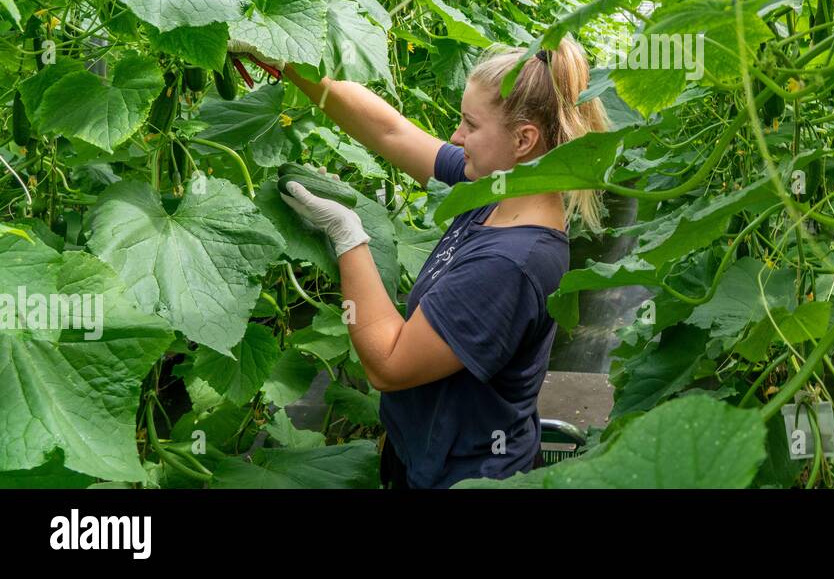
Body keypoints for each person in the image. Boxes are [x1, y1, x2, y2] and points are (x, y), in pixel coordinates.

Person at [253, 34, 609, 488]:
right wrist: (291, 63)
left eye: (470, 125)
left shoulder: (511, 264)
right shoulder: (498, 189)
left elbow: (389, 363)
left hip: (461, 478)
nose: (457, 137)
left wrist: (348, 234)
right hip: (424, 456)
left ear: (523, 139)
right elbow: (391, 131)